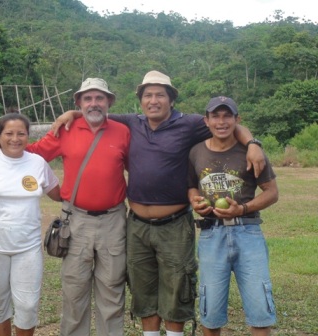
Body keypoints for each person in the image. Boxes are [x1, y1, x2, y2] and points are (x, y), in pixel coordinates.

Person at [52, 70, 266, 336]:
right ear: (141, 101)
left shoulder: (189, 124)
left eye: (160, 95)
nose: (154, 100)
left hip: (175, 224)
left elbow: (227, 123)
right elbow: (94, 112)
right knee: (142, 287)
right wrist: (70, 114)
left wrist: (253, 143)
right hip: (137, 225)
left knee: (177, 286)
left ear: (171, 99)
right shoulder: (131, 122)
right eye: (148, 95)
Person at [0, 78, 130, 335]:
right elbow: (29, 151)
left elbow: (138, 166)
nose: (93, 103)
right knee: (74, 291)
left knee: (112, 291)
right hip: (76, 220)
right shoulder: (66, 130)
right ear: (79, 103)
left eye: (99, 98)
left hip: (113, 221)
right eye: (87, 99)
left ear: (109, 102)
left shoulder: (124, 131)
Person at [187, 96, 278, 336]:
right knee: (210, 310)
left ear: (237, 119)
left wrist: (243, 209)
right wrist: (195, 201)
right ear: (206, 120)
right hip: (211, 234)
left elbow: (272, 192)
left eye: (227, 115)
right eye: (215, 116)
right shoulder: (196, 152)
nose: (221, 121)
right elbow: (192, 186)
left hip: (248, 232)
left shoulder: (253, 153)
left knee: (260, 309)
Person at [0, 113, 61, 336]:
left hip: (27, 247)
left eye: (21, 133)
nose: (15, 138)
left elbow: (59, 194)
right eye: (8, 133)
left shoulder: (37, 163)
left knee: (28, 305)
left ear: (28, 136)